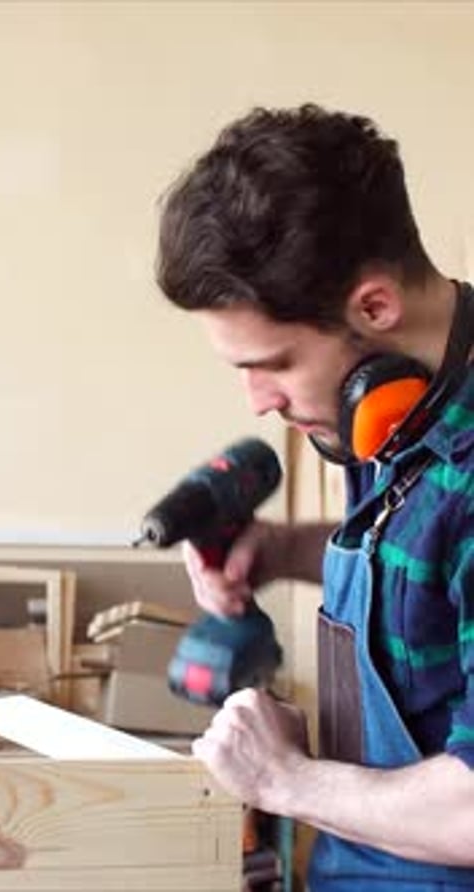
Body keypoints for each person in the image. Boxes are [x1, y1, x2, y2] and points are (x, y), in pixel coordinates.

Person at [155, 103, 474, 890]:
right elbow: (440, 573)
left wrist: (281, 779)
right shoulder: (388, 401)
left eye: (273, 362)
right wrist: (289, 551)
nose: (259, 401)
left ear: (373, 307)